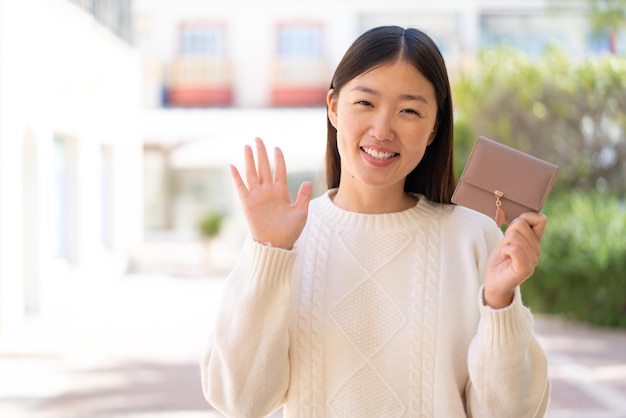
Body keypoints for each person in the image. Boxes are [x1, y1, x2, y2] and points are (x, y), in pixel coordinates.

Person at [201, 25, 550, 417]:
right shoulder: (286, 237)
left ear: (434, 128)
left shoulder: (472, 235)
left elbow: (509, 413)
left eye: (409, 111)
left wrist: (499, 303)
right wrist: (269, 252)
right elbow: (240, 401)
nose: (383, 130)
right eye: (365, 103)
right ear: (333, 107)